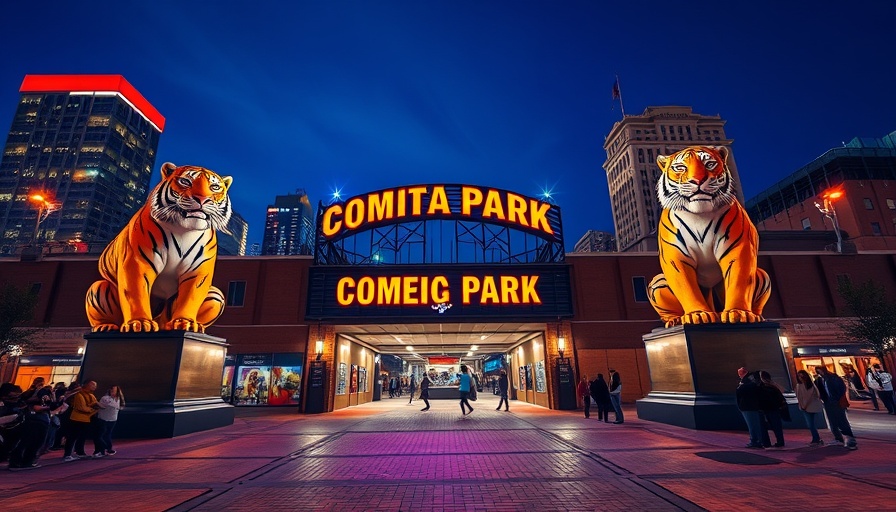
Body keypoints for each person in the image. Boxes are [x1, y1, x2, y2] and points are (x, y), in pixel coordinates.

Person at [815, 366, 857, 450]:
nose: (820, 373)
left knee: (842, 421)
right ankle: (839, 438)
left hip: (836, 402)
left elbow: (842, 388)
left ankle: (850, 440)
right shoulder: (820, 380)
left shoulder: (833, 378)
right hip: (828, 402)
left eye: (820, 371)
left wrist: (836, 398)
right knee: (833, 421)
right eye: (818, 372)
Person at [63, 380, 103, 462]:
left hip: (86, 419)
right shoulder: (79, 394)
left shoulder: (91, 395)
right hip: (76, 419)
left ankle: (80, 452)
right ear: (86, 385)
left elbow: (96, 405)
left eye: (95, 385)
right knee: (72, 437)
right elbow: (82, 408)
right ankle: (67, 455)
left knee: (82, 437)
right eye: (92, 385)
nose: (95, 387)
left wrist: (95, 407)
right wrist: (93, 409)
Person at [736, 367, 765, 449]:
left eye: (739, 374)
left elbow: (740, 391)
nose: (739, 376)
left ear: (742, 373)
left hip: (748, 406)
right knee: (754, 424)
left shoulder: (747, 382)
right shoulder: (751, 381)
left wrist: (740, 388)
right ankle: (757, 440)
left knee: (752, 424)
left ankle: (756, 441)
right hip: (750, 406)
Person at [795, 370, 824, 446]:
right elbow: (800, 397)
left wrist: (803, 405)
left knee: (811, 424)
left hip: (809, 406)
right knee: (811, 424)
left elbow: (809, 396)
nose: (801, 378)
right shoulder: (801, 385)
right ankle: (816, 438)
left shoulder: (809, 385)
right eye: (799, 376)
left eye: (802, 376)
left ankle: (816, 439)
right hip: (807, 406)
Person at [94, 385, 125, 457]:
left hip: (111, 419)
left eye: (114, 390)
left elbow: (104, 406)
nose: (112, 392)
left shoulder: (119, 399)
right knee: (100, 436)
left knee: (104, 435)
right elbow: (102, 406)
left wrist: (96, 402)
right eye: (111, 390)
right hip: (103, 418)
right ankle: (103, 450)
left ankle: (105, 449)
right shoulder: (105, 398)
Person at [758, 370, 786, 448]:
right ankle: (780, 441)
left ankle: (767, 443)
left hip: (767, 408)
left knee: (765, 426)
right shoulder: (773, 386)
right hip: (774, 408)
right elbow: (781, 393)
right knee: (776, 426)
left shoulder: (762, 387)